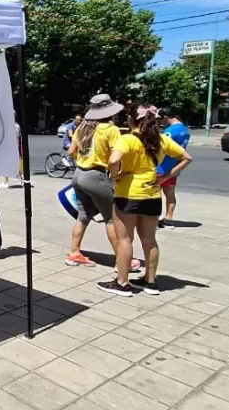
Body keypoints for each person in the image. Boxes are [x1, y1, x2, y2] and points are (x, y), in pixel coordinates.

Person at [99, 105, 192, 297]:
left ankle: (122, 282)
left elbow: (113, 160)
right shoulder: (161, 139)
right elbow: (186, 157)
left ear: (131, 120)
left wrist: (114, 175)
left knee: (125, 239)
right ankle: (150, 282)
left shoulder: (128, 139)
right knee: (149, 240)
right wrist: (166, 176)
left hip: (127, 194)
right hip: (152, 194)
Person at [65, 94, 141, 272]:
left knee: (83, 215)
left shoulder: (82, 127)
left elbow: (71, 151)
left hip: (78, 174)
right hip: (97, 176)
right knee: (111, 218)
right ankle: (122, 261)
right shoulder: (110, 129)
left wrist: (84, 160)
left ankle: (74, 253)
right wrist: (115, 175)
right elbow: (116, 157)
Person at [156, 108, 191, 228]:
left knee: (155, 195)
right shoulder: (185, 130)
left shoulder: (169, 132)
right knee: (170, 195)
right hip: (174, 168)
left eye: (160, 120)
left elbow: (160, 148)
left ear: (165, 117)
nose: (160, 123)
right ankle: (169, 219)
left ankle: (153, 219)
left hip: (161, 167)